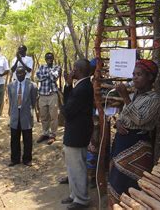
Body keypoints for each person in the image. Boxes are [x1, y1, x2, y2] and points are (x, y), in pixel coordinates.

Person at [108, 59, 160, 205]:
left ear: (150, 77)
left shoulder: (154, 99)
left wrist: (125, 97)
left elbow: (140, 119)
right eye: (133, 74)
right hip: (122, 143)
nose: (134, 77)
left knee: (132, 184)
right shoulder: (134, 96)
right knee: (115, 181)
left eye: (139, 74)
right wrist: (118, 122)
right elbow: (123, 116)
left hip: (137, 146)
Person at [61, 59, 94, 209]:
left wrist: (62, 105)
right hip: (76, 131)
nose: (71, 71)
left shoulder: (83, 88)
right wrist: (68, 85)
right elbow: (70, 103)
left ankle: (81, 199)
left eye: (73, 68)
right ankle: (75, 195)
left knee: (78, 167)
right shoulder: (81, 85)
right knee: (72, 166)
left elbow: (67, 111)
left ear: (77, 70)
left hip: (77, 132)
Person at [7, 66, 37, 167]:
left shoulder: (32, 86)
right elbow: (11, 101)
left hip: (26, 115)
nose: (19, 75)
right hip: (15, 114)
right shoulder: (11, 85)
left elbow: (33, 102)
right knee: (14, 138)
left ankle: (27, 159)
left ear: (25, 74)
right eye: (18, 73)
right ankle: (15, 159)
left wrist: (29, 110)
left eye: (21, 73)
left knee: (27, 138)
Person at [35, 52, 61, 145]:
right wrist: (49, 74)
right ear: (45, 59)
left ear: (53, 59)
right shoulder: (41, 66)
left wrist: (47, 74)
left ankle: (53, 135)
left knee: (54, 116)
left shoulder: (57, 67)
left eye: (51, 58)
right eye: (47, 58)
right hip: (42, 94)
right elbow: (38, 77)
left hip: (52, 94)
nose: (49, 60)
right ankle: (45, 133)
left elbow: (54, 78)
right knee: (43, 116)